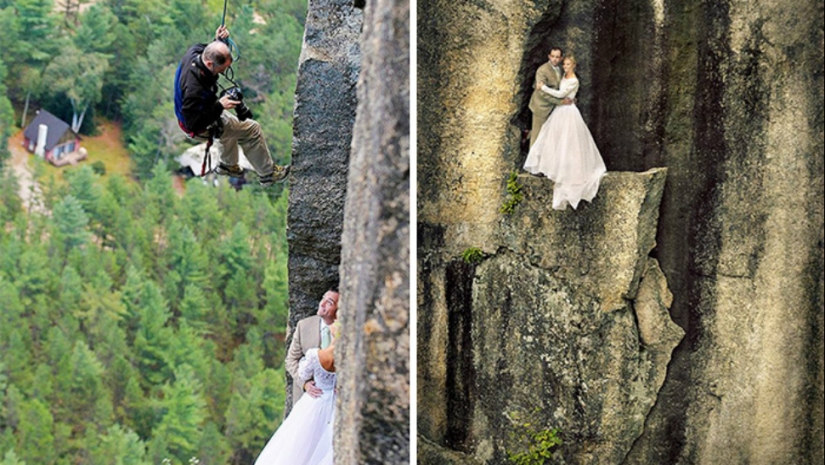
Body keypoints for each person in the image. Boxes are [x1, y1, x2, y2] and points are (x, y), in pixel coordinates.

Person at [174, 25, 290, 187]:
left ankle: (228, 165)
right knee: (251, 130)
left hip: (198, 112)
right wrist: (219, 106)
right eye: (221, 70)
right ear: (209, 64)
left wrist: (219, 40)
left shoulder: (195, 52)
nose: (222, 73)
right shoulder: (195, 89)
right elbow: (193, 123)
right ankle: (268, 174)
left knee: (230, 126)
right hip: (196, 125)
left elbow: (210, 49)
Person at [524, 55, 607, 210]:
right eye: (564, 64)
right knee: (553, 139)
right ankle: (550, 166)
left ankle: (568, 170)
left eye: (568, 64)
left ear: (573, 65)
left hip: (568, 111)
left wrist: (543, 88)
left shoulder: (574, 80)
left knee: (568, 141)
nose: (566, 66)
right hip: (559, 110)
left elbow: (561, 94)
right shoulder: (563, 75)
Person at [254, 322, 339, 465]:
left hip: (322, 401)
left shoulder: (315, 354)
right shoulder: (348, 358)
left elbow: (303, 371)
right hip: (326, 401)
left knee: (309, 445)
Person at [285, 289, 340, 405]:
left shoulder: (347, 332)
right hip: (306, 400)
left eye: (329, 302)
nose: (322, 303)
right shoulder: (304, 325)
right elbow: (290, 360)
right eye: (323, 298)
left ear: (339, 310)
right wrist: (305, 384)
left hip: (335, 402)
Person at [528, 47, 572, 148]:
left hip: (554, 108)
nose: (554, 59)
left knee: (550, 136)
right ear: (549, 56)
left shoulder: (562, 69)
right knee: (538, 136)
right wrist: (560, 102)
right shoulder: (542, 70)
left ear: (561, 58)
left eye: (557, 57)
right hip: (541, 107)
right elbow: (542, 93)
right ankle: (532, 162)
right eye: (552, 56)